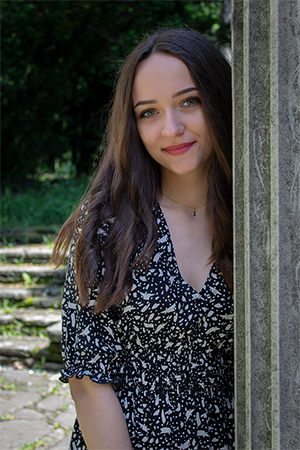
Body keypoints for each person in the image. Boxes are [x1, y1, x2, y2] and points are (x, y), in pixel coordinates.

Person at [52, 28, 234, 450]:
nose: (171, 128)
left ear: (221, 101)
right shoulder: (108, 224)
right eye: (148, 112)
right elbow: (88, 378)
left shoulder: (259, 224)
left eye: (190, 101)